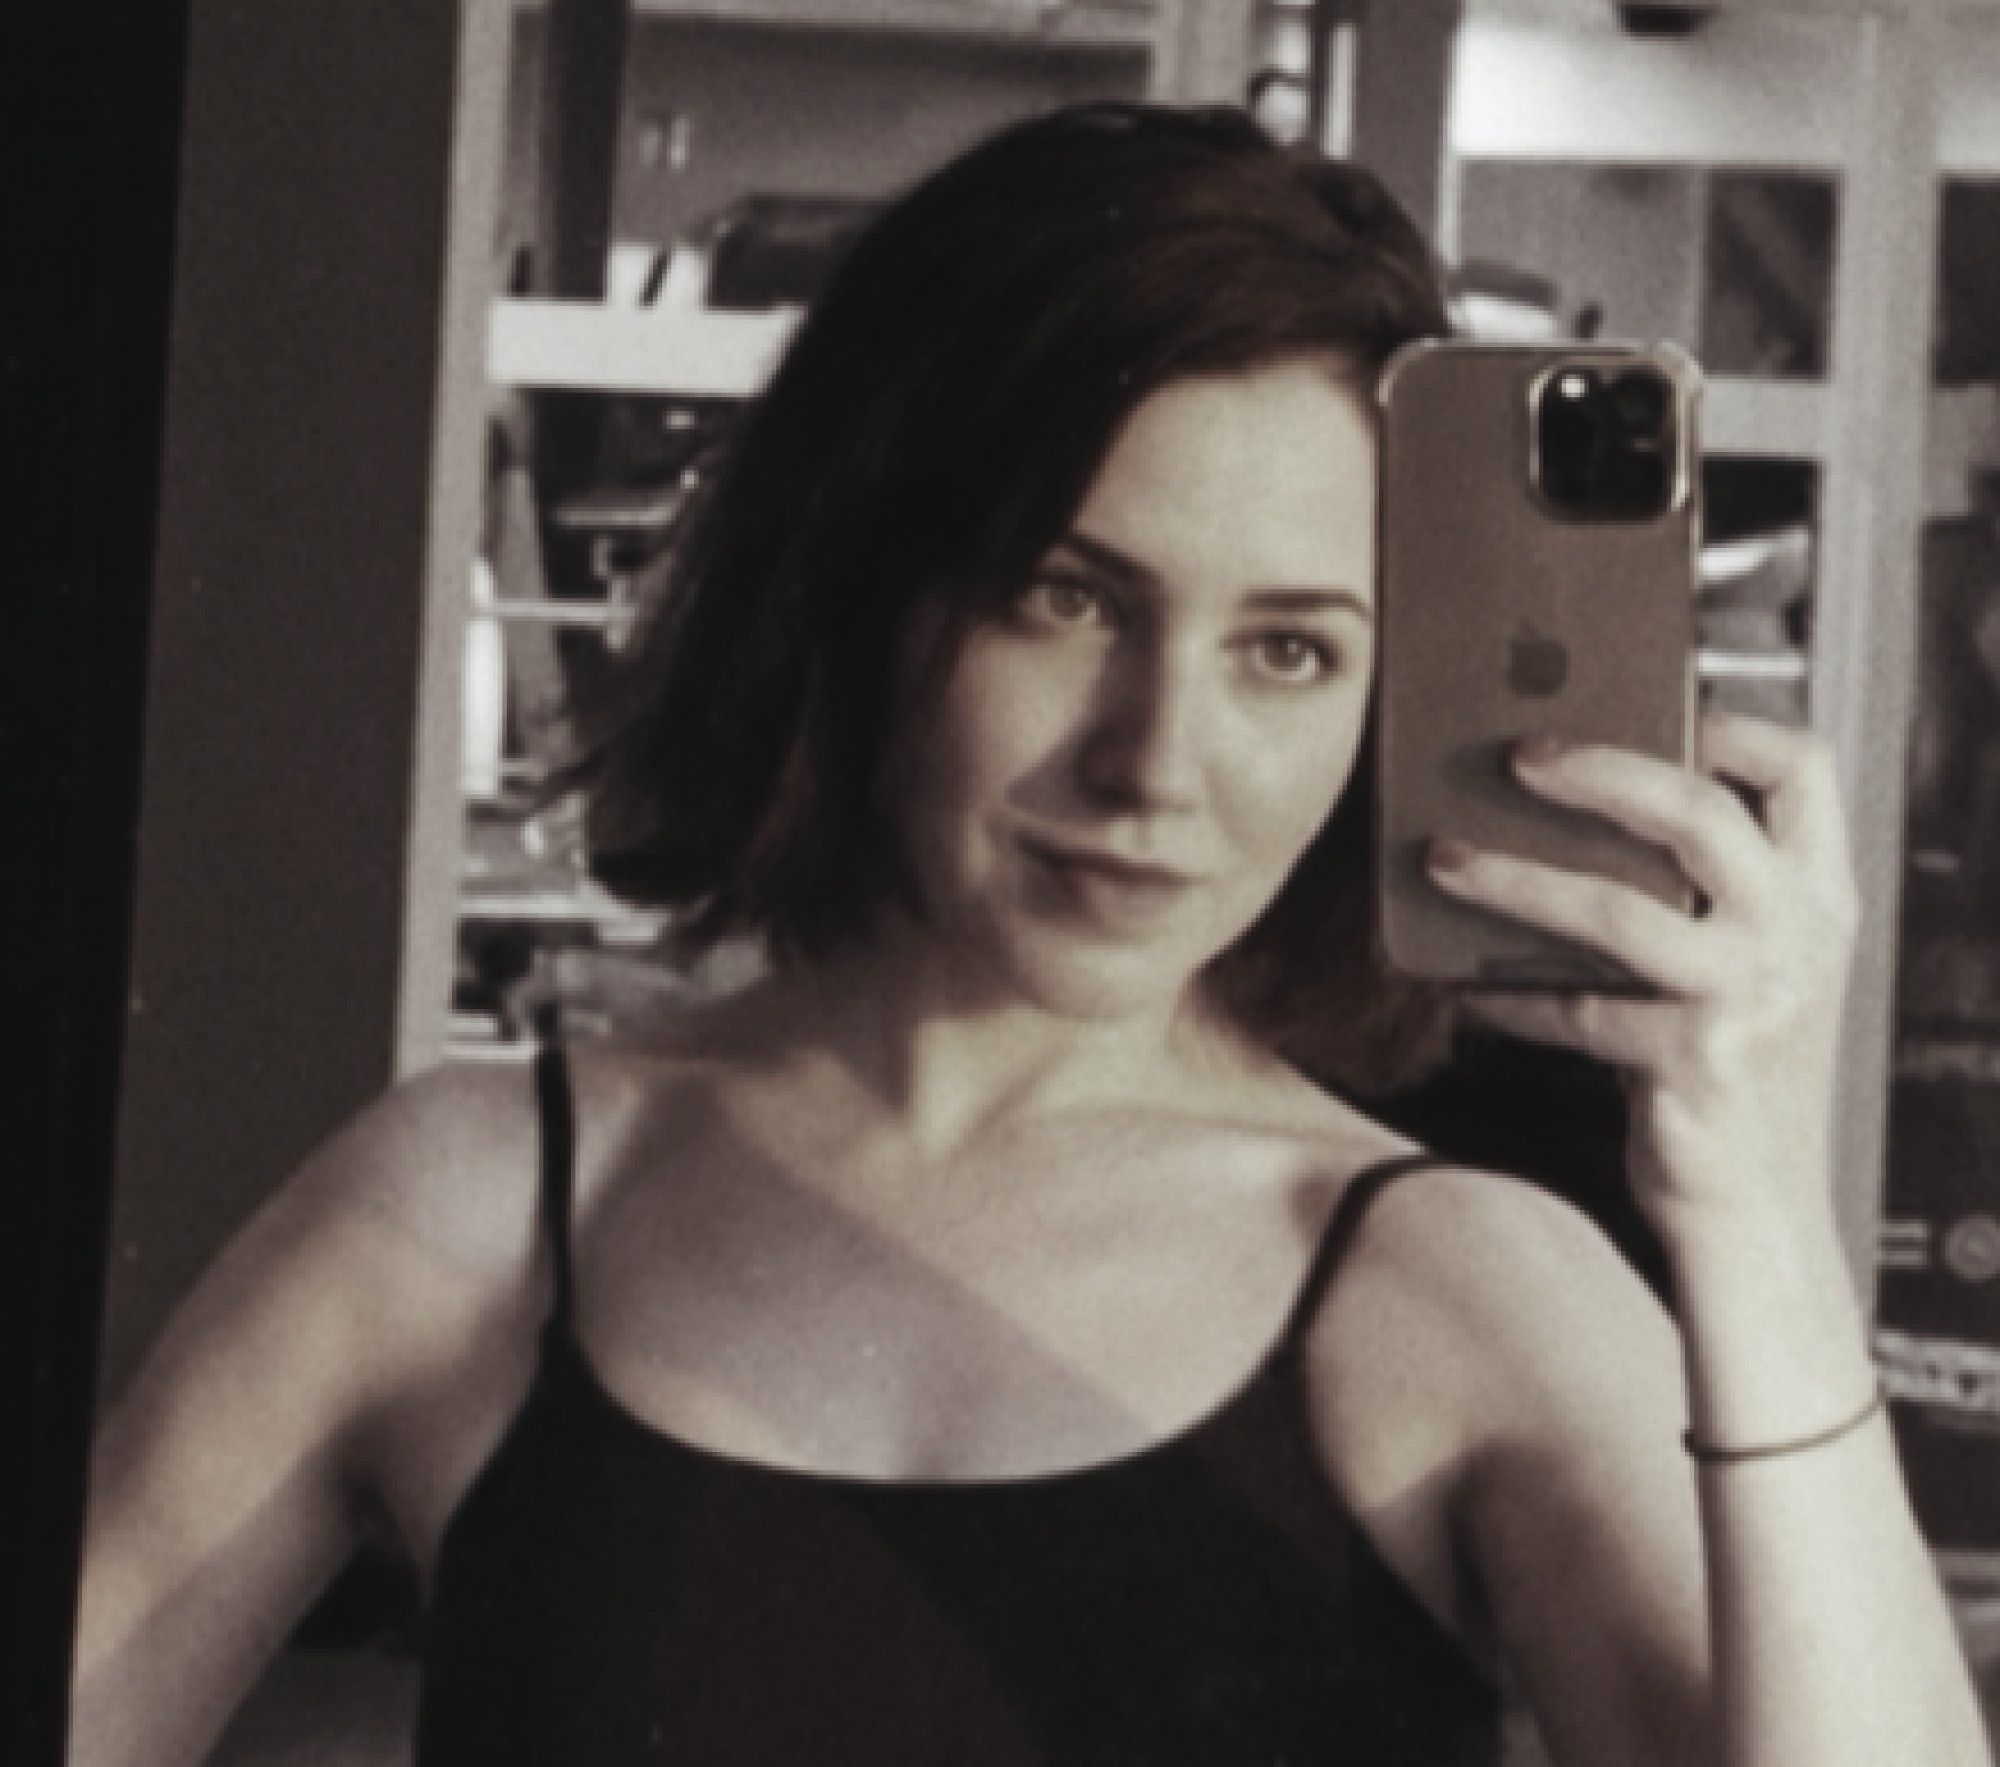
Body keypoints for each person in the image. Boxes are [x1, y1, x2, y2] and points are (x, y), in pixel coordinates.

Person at [69, 102, 1988, 1767]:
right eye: (1067, 599)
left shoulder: (1465, 1293)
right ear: (862, 580)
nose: (1160, 760)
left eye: (1288, 651)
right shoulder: (474, 1207)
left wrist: (1755, 1206)